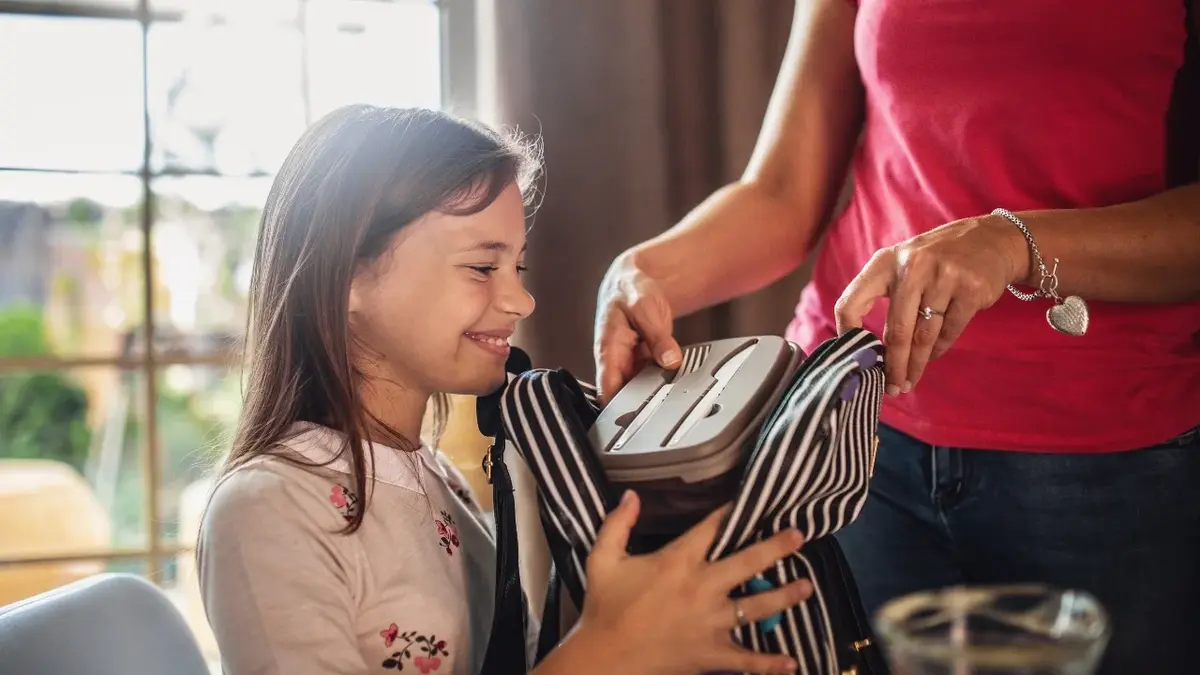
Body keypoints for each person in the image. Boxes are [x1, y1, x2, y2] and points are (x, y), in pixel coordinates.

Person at [593, 1, 1200, 673]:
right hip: (850, 431)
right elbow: (784, 192)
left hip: (1103, 459)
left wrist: (1011, 242)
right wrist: (644, 273)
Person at [196, 105, 814, 675]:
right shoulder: (269, 509)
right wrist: (609, 653)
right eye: (482, 267)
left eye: (515, 266)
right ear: (349, 276)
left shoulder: (441, 482)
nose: (520, 299)